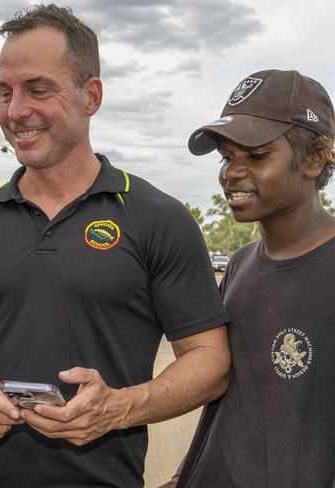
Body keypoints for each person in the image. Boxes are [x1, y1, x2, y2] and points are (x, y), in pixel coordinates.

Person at [0, 4, 231, 487]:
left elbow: (211, 360)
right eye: (4, 93)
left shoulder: (157, 218)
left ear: (91, 95)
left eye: (38, 89)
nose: (16, 111)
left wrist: (118, 408)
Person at [172, 69, 335, 487]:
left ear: (315, 159)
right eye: (227, 157)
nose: (231, 172)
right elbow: (237, 405)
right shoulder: (242, 264)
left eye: (257, 156)